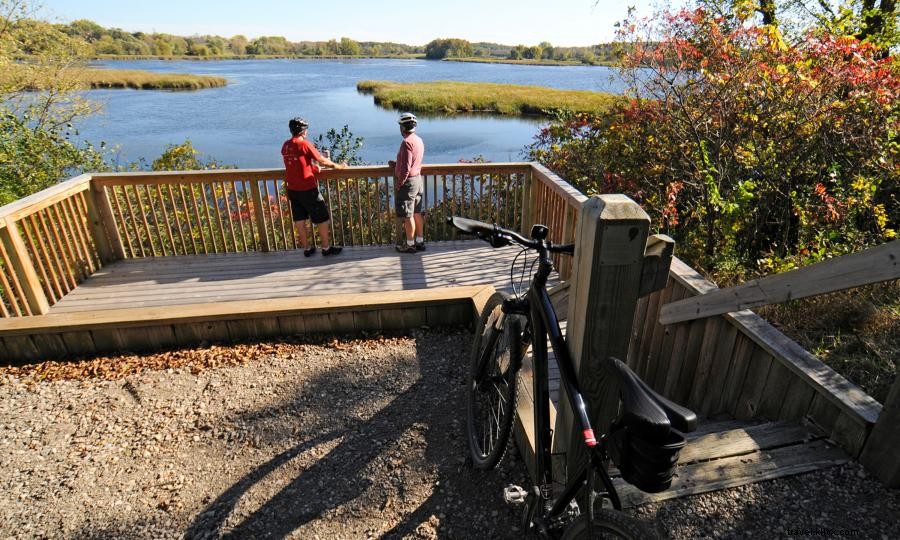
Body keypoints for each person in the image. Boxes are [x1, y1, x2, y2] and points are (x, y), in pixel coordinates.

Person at [281, 117, 348, 257]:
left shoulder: (286, 145)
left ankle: (307, 249)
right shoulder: (304, 144)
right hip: (307, 189)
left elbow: (298, 164)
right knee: (322, 218)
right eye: (306, 129)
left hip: (292, 189)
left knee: (300, 220)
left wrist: (313, 169)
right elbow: (322, 160)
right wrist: (339, 166)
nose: (307, 132)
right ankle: (326, 248)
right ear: (303, 131)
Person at [388, 112, 426, 254]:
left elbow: (405, 168)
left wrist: (399, 184)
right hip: (418, 180)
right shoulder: (418, 140)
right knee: (416, 212)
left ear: (402, 128)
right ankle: (420, 242)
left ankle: (410, 245)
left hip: (408, 182)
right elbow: (412, 161)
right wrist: (396, 164)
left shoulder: (406, 143)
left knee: (407, 215)